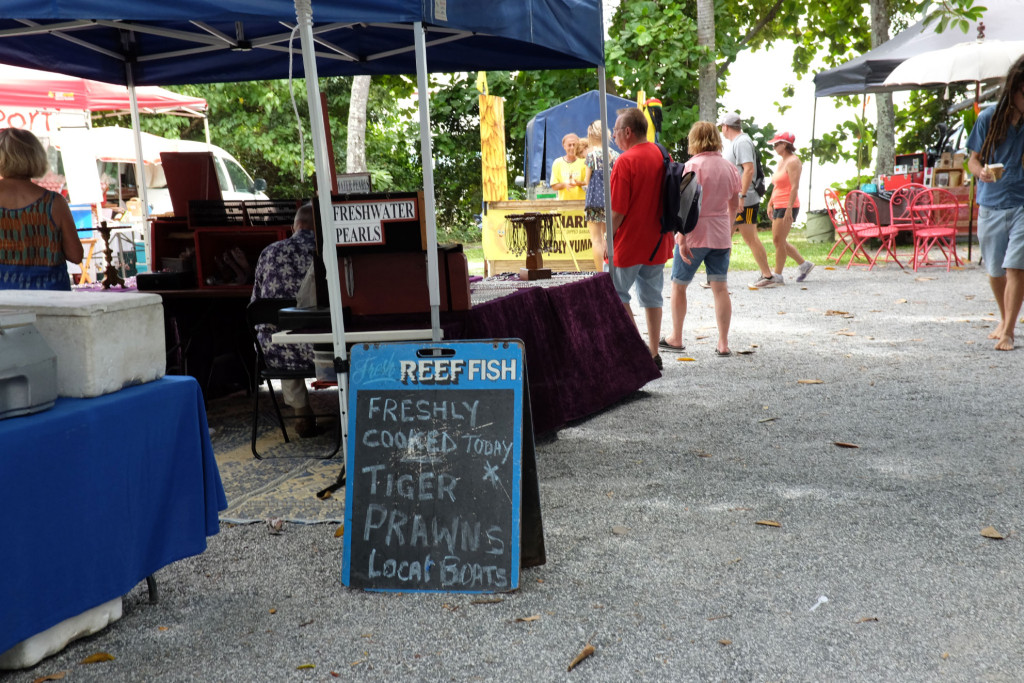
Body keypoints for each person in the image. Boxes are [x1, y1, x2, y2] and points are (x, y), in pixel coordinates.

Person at [661, 121, 740, 356]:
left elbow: (684, 206)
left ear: (693, 139)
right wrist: (728, 229)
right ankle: (723, 343)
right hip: (720, 233)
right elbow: (734, 205)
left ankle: (676, 336)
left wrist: (681, 236)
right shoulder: (729, 167)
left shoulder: (691, 166)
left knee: (679, 286)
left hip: (694, 234)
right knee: (720, 288)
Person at [967, 54, 1024, 351]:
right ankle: (1005, 318)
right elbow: (972, 162)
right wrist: (983, 172)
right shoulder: (987, 118)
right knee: (996, 270)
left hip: (1022, 203)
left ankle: (1009, 332)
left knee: (1017, 265)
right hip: (991, 202)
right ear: (1014, 89)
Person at [609, 107, 672, 369]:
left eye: (615, 131)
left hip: (629, 241)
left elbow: (618, 211)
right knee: (652, 296)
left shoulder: (625, 161)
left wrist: (606, 238)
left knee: (616, 293)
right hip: (658, 238)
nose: (613, 136)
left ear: (627, 131)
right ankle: (654, 352)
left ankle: (637, 350)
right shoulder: (662, 153)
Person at [250, 203, 318, 437]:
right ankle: (350, 411)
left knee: (277, 333)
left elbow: (256, 304)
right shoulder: (325, 249)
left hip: (276, 351)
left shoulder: (269, 252)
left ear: (294, 227)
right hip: (321, 349)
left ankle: (302, 412)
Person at [0, 128, 83, 290]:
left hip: (4, 301)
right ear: (36, 157)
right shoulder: (55, 202)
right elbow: (76, 255)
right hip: (51, 299)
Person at [718, 112, 773, 288]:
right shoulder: (737, 142)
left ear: (726, 126)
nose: (721, 130)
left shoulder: (741, 142)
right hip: (737, 200)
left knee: (750, 238)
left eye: (722, 127)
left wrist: (741, 196)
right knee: (725, 236)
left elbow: (748, 170)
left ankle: (768, 275)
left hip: (745, 201)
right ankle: (717, 276)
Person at [753, 131, 813, 288]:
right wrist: (770, 202)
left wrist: (788, 209)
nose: (774, 147)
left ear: (785, 144)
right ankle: (804, 265)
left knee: (778, 241)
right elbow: (777, 185)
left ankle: (778, 276)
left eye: (776, 144)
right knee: (779, 240)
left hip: (788, 205)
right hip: (778, 203)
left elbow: (794, 187)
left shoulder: (793, 162)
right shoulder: (781, 161)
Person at [580, 119, 620, 271]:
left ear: (590, 134)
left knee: (596, 240)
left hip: (594, 202)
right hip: (611, 201)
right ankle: (612, 271)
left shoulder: (591, 156)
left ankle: (600, 274)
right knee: (608, 238)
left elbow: (586, 181)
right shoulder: (615, 155)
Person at [549, 133, 587, 201]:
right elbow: (554, 186)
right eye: (569, 145)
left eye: (574, 145)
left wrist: (578, 183)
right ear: (564, 146)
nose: (572, 147)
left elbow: (589, 182)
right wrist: (565, 184)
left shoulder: (584, 161)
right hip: (564, 206)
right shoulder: (557, 163)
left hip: (582, 205)